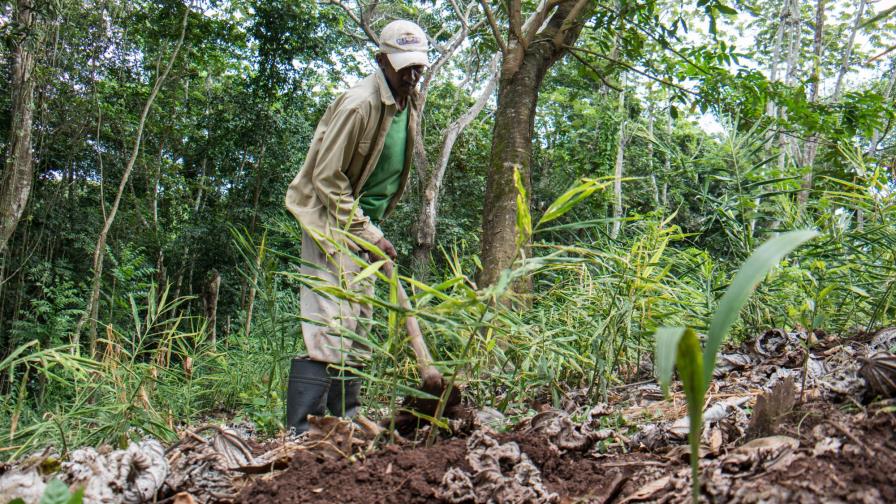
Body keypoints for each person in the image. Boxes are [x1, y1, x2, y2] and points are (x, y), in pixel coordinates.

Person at [283, 20, 429, 434]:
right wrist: (368, 233)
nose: (412, 75)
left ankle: (343, 421)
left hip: (364, 223)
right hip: (331, 218)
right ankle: (301, 432)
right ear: (381, 60)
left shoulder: (409, 100)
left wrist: (370, 231)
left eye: (418, 66)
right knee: (332, 322)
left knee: (360, 324)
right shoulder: (358, 104)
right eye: (404, 67)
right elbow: (326, 178)